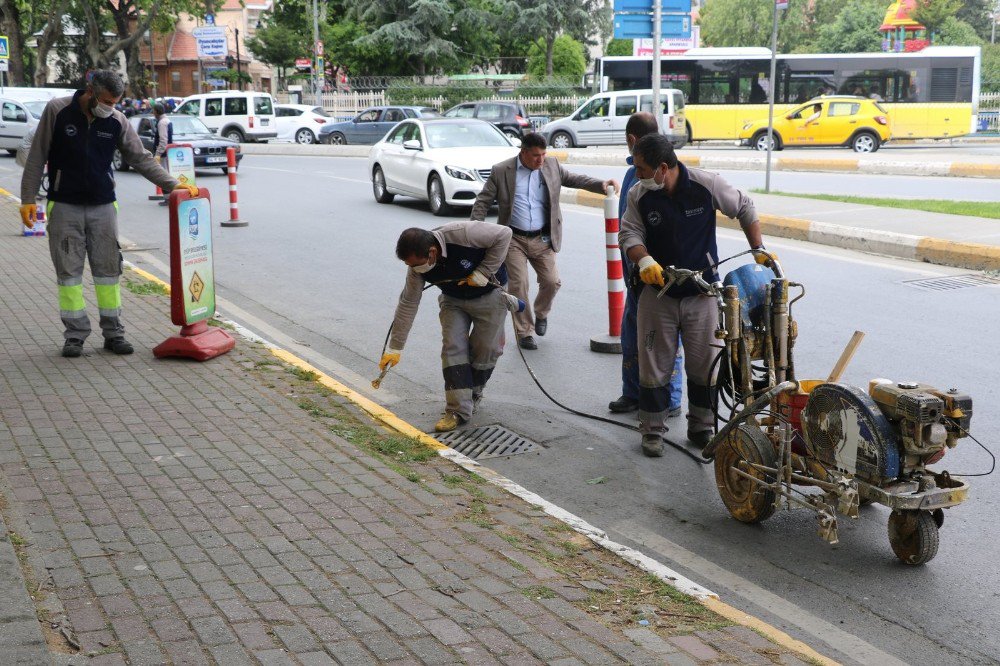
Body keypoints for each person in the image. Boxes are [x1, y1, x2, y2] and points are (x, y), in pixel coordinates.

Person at [19, 69, 198, 358]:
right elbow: (38, 154)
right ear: (89, 91)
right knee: (68, 273)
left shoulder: (117, 120)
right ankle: (75, 335)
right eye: (105, 101)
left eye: (114, 102)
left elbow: (139, 158)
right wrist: (28, 198)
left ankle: (113, 333)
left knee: (108, 272)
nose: (109, 107)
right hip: (64, 206)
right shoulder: (58, 110)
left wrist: (172, 184)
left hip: (103, 206)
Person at [619, 134, 774, 457]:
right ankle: (652, 430)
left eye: (643, 169)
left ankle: (701, 426)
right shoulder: (639, 194)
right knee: (654, 365)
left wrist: (758, 248)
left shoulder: (706, 185)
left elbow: (744, 206)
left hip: (701, 294)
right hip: (656, 294)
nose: (639, 175)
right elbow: (629, 233)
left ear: (663, 168)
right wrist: (643, 258)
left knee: (705, 366)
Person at [471, 132, 618, 350]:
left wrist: (601, 185)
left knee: (552, 281)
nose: (540, 160)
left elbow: (576, 179)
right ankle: (525, 332)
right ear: (523, 152)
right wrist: (475, 231)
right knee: (519, 285)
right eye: (535, 156)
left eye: (543, 154)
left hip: (543, 237)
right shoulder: (502, 171)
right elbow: (482, 202)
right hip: (513, 238)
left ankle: (541, 313)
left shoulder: (551, 165)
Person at [379, 223, 514, 433]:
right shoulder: (416, 268)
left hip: (490, 296)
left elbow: (505, 233)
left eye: (417, 264)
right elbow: (408, 303)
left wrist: (484, 271)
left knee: (486, 349)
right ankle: (457, 410)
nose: (415, 269)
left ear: (432, 252)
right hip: (453, 301)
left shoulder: (462, 235)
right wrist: (395, 348)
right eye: (410, 265)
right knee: (453, 347)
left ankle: (474, 392)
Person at [609, 112, 683, 419]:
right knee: (632, 337)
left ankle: (671, 398)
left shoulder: (669, 175)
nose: (639, 172)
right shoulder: (634, 173)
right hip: (636, 276)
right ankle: (633, 393)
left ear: (631, 140)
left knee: (665, 341)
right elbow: (628, 227)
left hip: (661, 278)